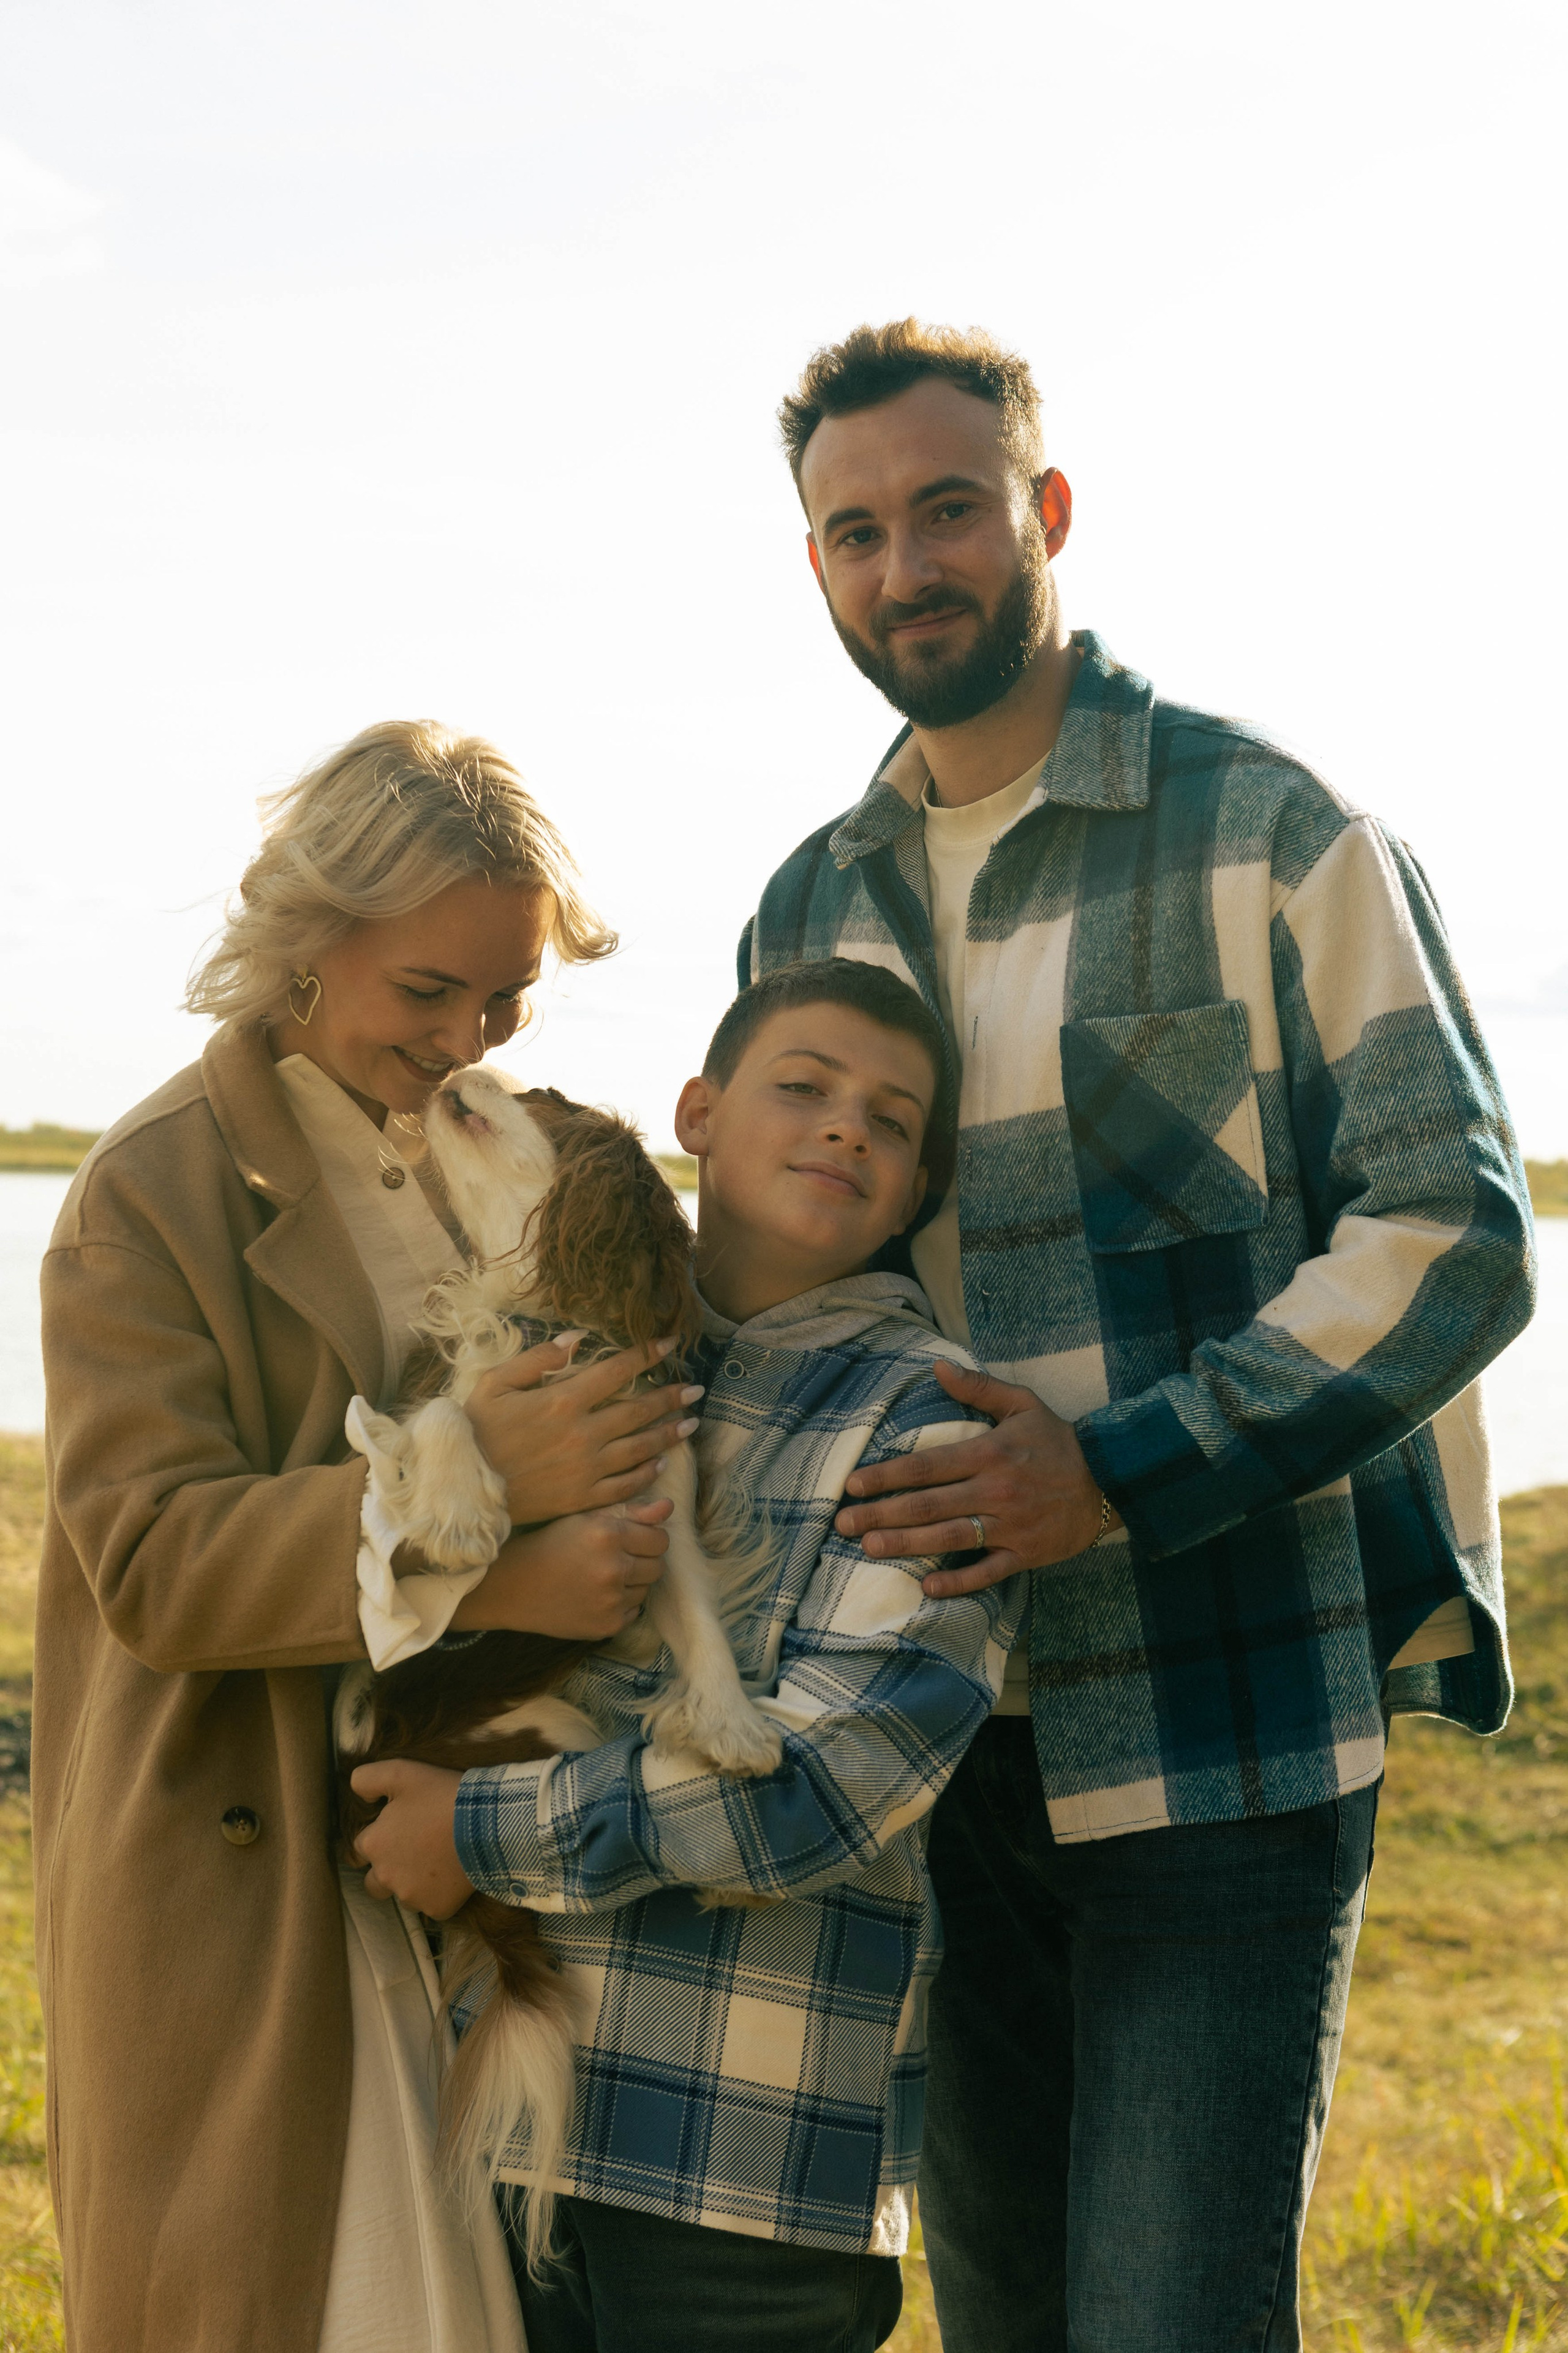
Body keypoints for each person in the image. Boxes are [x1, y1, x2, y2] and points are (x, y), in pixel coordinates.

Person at [739, 320, 1537, 2351]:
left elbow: (1455, 1232)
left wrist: (1115, 1470)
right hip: (925, 1749)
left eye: (948, 510)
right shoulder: (809, 909)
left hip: (1225, 1727)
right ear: (816, 564)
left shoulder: (1274, 830)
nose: (907, 566)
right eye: (855, 533)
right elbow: (774, 1296)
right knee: (1002, 2318)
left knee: (1173, 2319)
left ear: (1047, 514)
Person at [34, 720, 704, 2353]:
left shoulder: (494, 1150)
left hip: (470, 1854)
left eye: (507, 999)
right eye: (427, 990)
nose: (467, 1040)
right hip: (251, 1883)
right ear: (307, 938)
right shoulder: (146, 1194)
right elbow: (155, 1565)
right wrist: (483, 1518)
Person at [352, 957, 1027, 2353]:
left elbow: (832, 1785)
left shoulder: (929, 1422)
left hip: (742, 2164)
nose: (843, 1126)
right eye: (804, 1085)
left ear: (918, 1188)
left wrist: (471, 1830)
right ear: (697, 1114)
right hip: (488, 2111)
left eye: (891, 1121)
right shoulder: (561, 1358)